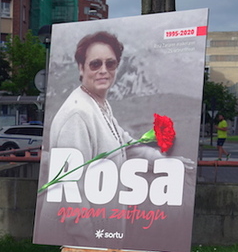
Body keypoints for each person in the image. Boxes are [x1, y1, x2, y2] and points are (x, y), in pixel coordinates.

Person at [49, 31, 160, 162]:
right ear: (81, 68)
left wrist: (164, 161)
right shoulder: (77, 115)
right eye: (95, 64)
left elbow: (123, 143)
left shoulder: (99, 103)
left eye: (110, 64)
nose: (103, 71)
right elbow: (73, 179)